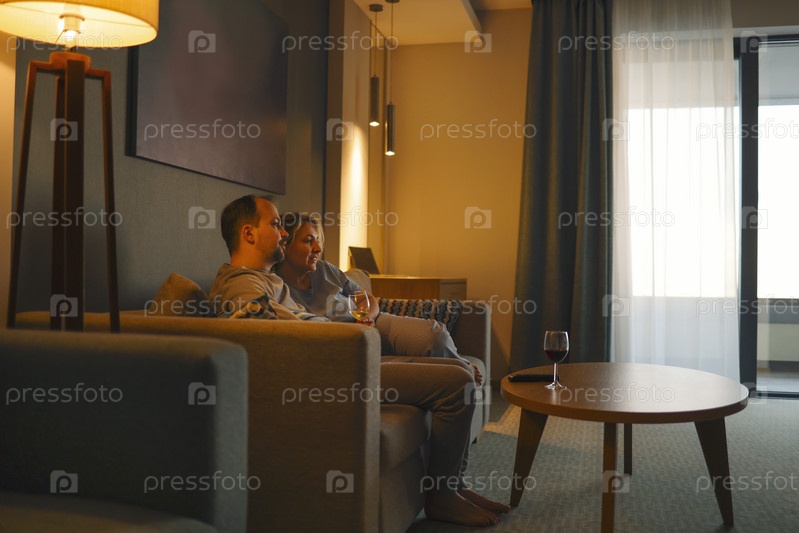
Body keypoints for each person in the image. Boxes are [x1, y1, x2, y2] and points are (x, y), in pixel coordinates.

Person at [209, 195, 509, 526]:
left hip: (347, 357)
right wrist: (347, 334)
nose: (282, 233)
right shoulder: (241, 285)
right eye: (276, 224)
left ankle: (454, 485)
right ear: (249, 233)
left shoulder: (268, 279)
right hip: (333, 374)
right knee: (458, 382)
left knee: (457, 368)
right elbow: (266, 338)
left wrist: (354, 331)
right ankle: (442, 497)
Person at [273, 212, 482, 385]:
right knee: (427, 367)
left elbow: (366, 297)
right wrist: (357, 332)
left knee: (436, 334)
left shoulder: (325, 269)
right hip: (350, 343)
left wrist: (367, 318)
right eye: (308, 241)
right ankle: (459, 371)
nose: (318, 249)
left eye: (317, 241)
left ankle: (460, 363)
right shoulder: (277, 288)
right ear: (285, 245)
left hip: (372, 323)